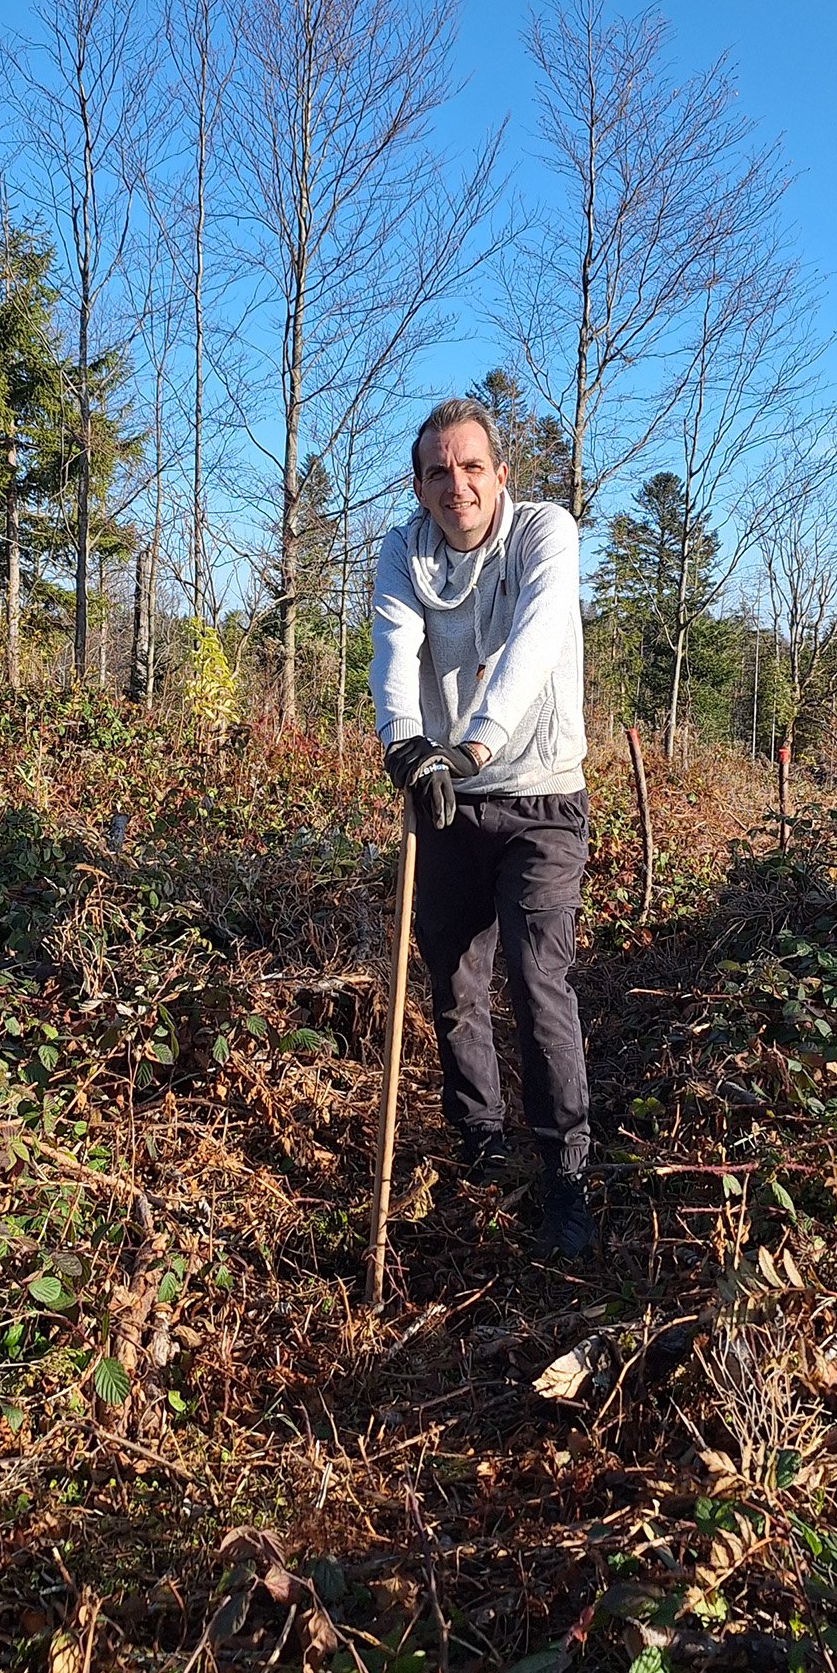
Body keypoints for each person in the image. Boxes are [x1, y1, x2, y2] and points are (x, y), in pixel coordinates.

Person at [368, 395, 594, 1257]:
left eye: (471, 466)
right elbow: (394, 650)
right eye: (437, 471)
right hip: (446, 796)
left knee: (539, 986)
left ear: (500, 473)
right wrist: (403, 746)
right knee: (453, 982)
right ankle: (478, 1144)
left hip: (538, 791)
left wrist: (472, 744)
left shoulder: (545, 532)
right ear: (418, 484)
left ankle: (564, 1173)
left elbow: (536, 643)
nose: (455, 484)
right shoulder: (403, 548)